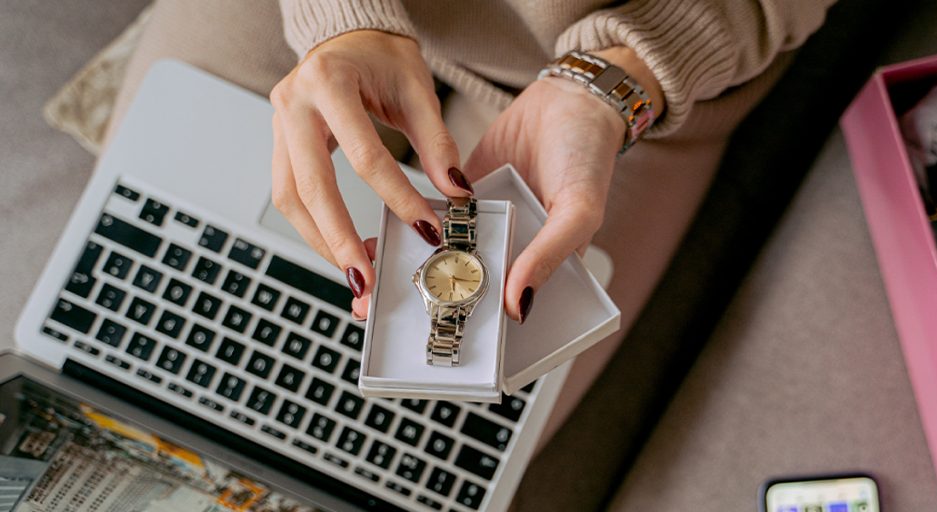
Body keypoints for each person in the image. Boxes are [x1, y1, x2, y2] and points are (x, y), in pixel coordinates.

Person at [109, 0, 834, 447]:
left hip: (634, 51)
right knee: (132, 307)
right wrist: (334, 24)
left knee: (421, 448)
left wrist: (614, 83)